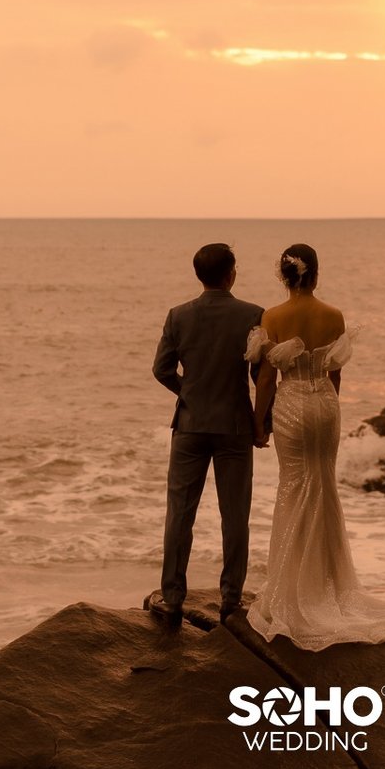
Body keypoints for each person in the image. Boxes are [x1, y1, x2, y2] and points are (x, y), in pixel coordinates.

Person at [245, 243, 385, 650]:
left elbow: (268, 380)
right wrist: (327, 404)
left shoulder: (273, 316)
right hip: (325, 405)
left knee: (294, 487)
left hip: (291, 406)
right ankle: (329, 585)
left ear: (284, 276)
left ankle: (295, 588)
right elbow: (334, 374)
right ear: (315, 274)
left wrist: (259, 423)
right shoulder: (333, 316)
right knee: (322, 486)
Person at [148, 242, 267, 629]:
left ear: (199, 276)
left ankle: (172, 598)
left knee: (180, 514)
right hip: (233, 426)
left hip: (190, 426)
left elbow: (161, 369)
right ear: (231, 273)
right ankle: (231, 600)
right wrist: (261, 423)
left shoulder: (178, 315)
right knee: (235, 517)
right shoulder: (252, 315)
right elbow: (260, 376)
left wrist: (189, 391)